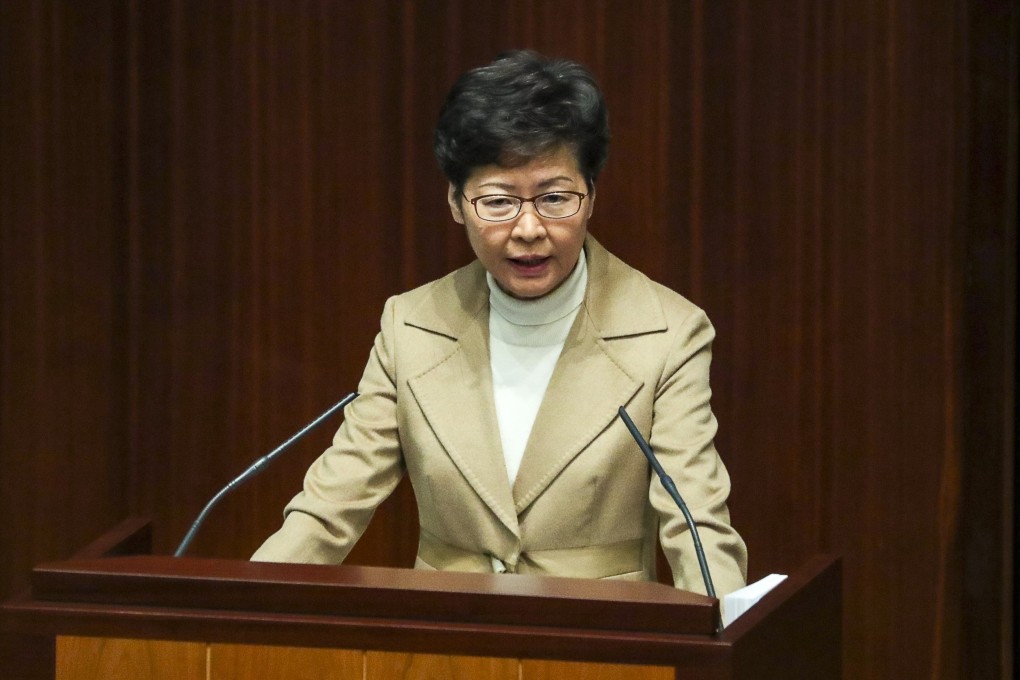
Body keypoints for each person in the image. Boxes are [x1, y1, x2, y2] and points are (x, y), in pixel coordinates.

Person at [252, 49, 748, 598]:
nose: (529, 228)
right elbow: (329, 507)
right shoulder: (410, 326)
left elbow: (696, 521)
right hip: (446, 643)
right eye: (499, 201)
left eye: (555, 198)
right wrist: (237, 607)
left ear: (592, 197)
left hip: (600, 641)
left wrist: (724, 631)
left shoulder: (668, 332)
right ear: (456, 203)